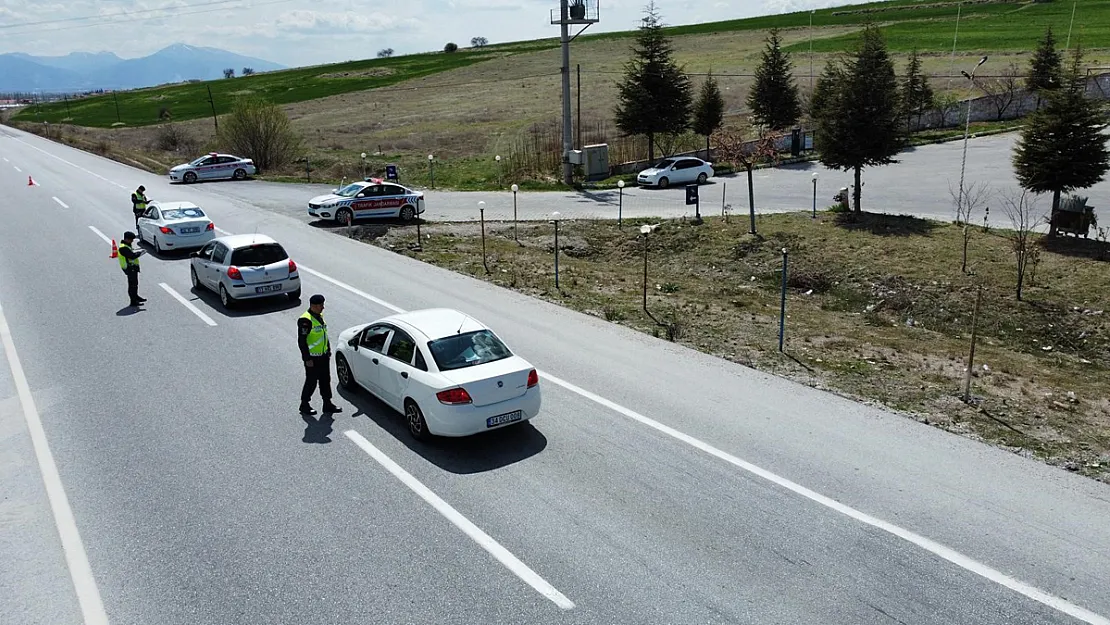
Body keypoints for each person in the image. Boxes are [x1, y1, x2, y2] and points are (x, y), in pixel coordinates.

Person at [298, 294, 342, 415]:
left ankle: (327, 403)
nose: (323, 307)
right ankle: (304, 404)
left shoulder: (319, 316)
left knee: (325, 380)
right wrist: (307, 358)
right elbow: (302, 341)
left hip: (323, 356)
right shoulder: (305, 320)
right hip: (312, 358)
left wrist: (327, 349)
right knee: (311, 381)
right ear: (313, 306)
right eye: (321, 305)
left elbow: (323, 334)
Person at [118, 231, 146, 307]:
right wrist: (140, 253)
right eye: (131, 239)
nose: (132, 241)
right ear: (127, 239)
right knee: (132, 285)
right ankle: (133, 301)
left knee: (134, 284)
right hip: (130, 268)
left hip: (132, 267)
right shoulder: (123, 248)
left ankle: (136, 297)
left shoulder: (127, 245)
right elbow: (131, 256)